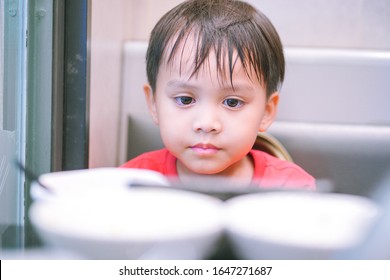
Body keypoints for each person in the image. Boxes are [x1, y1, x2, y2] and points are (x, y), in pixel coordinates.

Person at [121, 0, 315, 190]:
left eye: (232, 102)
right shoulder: (132, 184)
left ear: (266, 111)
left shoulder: (292, 190)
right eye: (185, 99)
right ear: (154, 103)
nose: (206, 124)